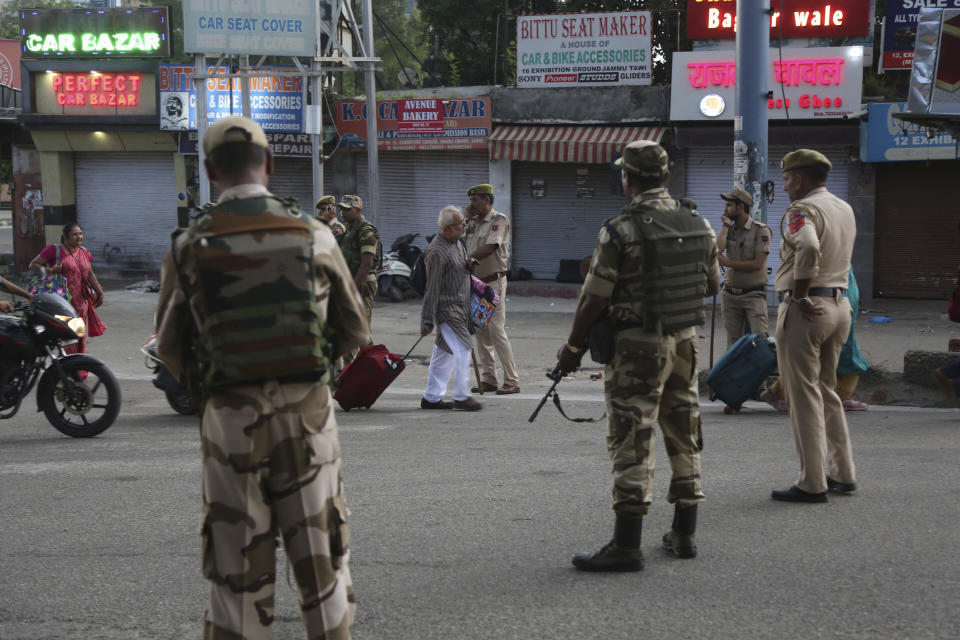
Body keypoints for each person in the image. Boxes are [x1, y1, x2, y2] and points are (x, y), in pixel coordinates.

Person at [154, 116, 369, 639]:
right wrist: (313, 377)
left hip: (229, 424)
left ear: (209, 170)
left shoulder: (189, 245)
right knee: (323, 572)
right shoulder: (314, 233)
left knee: (235, 584)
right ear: (268, 164)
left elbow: (169, 347)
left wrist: (219, 386)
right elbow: (355, 327)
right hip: (309, 420)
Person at [556, 140, 720, 572]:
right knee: (684, 432)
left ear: (626, 178)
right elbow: (712, 286)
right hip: (685, 343)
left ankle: (627, 545)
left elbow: (593, 300)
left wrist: (573, 348)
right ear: (666, 177)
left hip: (637, 349)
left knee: (632, 436)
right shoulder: (699, 222)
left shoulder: (620, 229)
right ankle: (684, 534)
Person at [771, 149, 858, 504]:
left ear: (801, 180)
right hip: (839, 306)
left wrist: (801, 294)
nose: (786, 185)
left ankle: (811, 482)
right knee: (826, 391)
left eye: (788, 179)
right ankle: (843, 473)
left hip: (808, 309)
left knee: (804, 396)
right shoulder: (844, 207)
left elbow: (807, 244)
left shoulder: (801, 210)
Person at [761, 266, 870, 412]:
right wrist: (801, 298)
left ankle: (837, 396)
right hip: (823, 298)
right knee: (811, 355)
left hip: (838, 294)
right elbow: (806, 254)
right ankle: (781, 393)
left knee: (840, 351)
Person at [420, 206, 481, 412]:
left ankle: (431, 397)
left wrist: (469, 263)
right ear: (447, 228)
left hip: (461, 306)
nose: (465, 225)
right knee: (464, 348)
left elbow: (460, 265)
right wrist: (427, 320)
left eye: (464, 221)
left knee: (443, 353)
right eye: (461, 223)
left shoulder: (457, 242)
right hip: (447, 309)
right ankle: (462, 395)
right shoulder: (437, 251)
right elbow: (432, 287)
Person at [463, 183, 520, 395]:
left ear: (487, 199)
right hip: (475, 282)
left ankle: (512, 380)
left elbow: (491, 247)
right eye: (471, 200)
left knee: (496, 330)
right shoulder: (473, 222)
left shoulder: (499, 220)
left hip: (493, 282)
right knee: (481, 331)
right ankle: (489, 379)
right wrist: (466, 218)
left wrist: (471, 258)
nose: (472, 203)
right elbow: (457, 235)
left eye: (475, 199)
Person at [29, 222, 106, 354]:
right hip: (63, 304)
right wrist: (51, 270)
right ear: (65, 236)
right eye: (74, 234)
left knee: (79, 337)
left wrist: (99, 292)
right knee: (66, 338)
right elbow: (33, 265)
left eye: (80, 234)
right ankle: (66, 367)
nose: (79, 237)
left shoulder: (84, 252)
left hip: (81, 303)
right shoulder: (54, 250)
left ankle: (78, 368)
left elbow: (90, 274)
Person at [716, 186, 771, 349]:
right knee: (733, 344)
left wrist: (728, 263)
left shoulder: (760, 230)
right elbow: (717, 251)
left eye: (729, 205)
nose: (725, 209)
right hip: (730, 294)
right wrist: (725, 227)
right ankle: (735, 375)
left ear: (740, 206)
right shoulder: (729, 229)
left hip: (753, 294)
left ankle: (761, 374)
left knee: (761, 339)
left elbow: (757, 264)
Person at [337, 194, 380, 328]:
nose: (343, 212)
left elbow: (366, 264)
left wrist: (353, 288)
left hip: (362, 283)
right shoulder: (349, 229)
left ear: (358, 210)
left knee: (361, 327)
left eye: (347, 209)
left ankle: (368, 350)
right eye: (342, 209)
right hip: (352, 280)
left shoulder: (366, 231)